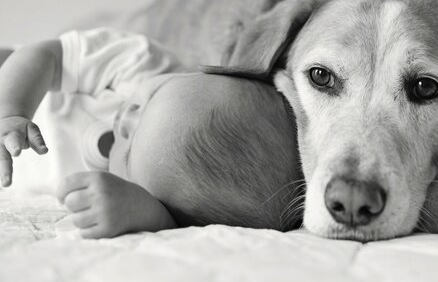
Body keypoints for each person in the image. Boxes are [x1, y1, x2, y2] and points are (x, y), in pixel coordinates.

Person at [0, 28, 302, 238]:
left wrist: (150, 214)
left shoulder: (154, 198)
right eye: (152, 96)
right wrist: (12, 111)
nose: (127, 118)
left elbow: (177, 226)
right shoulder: (143, 63)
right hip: (16, 84)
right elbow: (45, 56)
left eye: (128, 153)